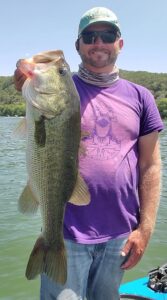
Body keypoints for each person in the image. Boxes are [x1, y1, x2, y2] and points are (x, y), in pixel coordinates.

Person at [14, 6, 164, 300]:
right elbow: (28, 63)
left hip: (120, 234)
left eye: (108, 35)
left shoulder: (141, 97)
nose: (98, 43)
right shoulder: (64, 88)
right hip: (67, 235)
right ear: (78, 45)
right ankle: (50, 240)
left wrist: (144, 229)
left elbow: (151, 166)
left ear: (120, 43)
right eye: (89, 35)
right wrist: (30, 71)